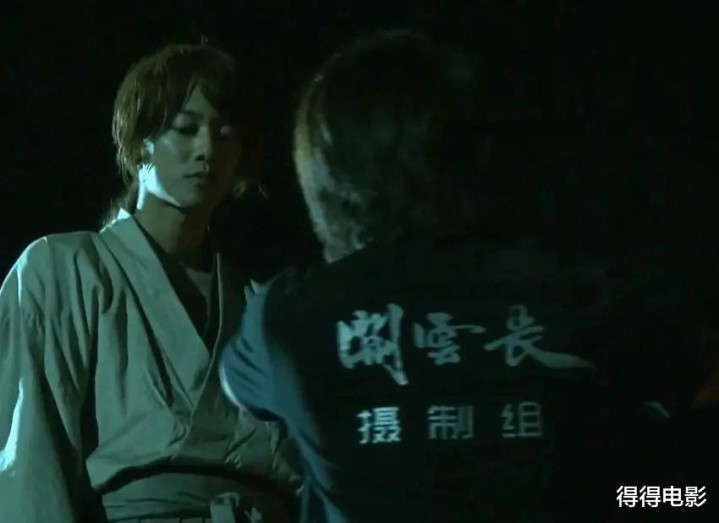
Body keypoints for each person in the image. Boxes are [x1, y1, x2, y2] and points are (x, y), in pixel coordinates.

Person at [219, 30, 718, 522]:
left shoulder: (289, 319)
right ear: (479, 152)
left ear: (321, 172)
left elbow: (240, 389)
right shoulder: (574, 292)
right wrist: (645, 493)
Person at [0, 43, 301, 522]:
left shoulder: (259, 304)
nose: (207, 150)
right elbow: (32, 451)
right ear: (141, 142)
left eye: (225, 134)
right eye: (185, 128)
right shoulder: (64, 270)